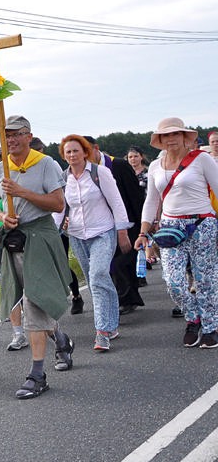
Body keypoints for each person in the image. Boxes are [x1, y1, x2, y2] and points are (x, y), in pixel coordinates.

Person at [0, 115, 75, 399]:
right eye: (5, 135)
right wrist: (1, 215)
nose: (10, 140)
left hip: (40, 239)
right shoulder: (0, 169)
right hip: (13, 240)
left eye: (15, 134)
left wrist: (22, 192)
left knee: (36, 302)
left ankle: (37, 374)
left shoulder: (45, 163)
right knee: (27, 301)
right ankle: (60, 339)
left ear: (28, 135)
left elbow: (58, 203)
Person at [134, 117, 218, 349]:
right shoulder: (154, 167)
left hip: (202, 224)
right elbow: (151, 201)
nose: (171, 139)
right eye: (166, 135)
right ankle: (193, 317)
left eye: (175, 134)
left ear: (184, 137)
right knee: (173, 282)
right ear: (160, 140)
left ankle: (211, 326)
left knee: (205, 279)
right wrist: (143, 232)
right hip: (170, 228)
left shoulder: (201, 159)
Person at [57, 136, 132, 354]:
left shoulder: (100, 173)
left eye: (76, 151)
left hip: (102, 232)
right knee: (94, 280)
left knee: (99, 274)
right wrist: (54, 231)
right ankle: (112, 324)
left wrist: (122, 231)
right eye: (68, 152)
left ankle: (102, 331)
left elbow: (117, 202)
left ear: (85, 152)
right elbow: (60, 209)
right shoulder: (63, 178)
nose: (72, 155)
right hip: (77, 235)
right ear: (64, 155)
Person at [85, 136, 146, 313]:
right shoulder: (85, 170)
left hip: (127, 221)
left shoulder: (117, 165)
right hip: (102, 223)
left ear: (96, 148)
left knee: (122, 262)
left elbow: (134, 194)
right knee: (111, 263)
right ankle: (122, 298)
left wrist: (141, 223)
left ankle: (128, 299)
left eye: (87, 151)